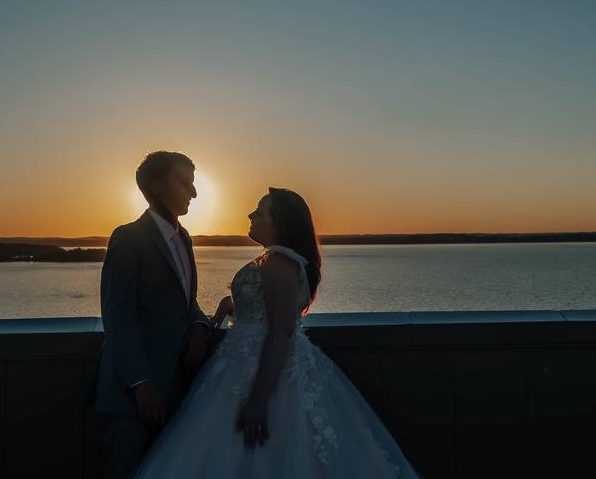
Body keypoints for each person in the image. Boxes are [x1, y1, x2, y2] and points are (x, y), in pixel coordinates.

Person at [134, 187, 418, 477]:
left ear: (278, 222)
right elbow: (265, 307)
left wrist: (258, 400)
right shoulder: (272, 260)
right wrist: (231, 305)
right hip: (247, 358)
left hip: (264, 369)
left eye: (259, 212)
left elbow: (280, 332)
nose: (251, 215)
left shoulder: (280, 262)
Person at [95, 151, 214, 479]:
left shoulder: (185, 238)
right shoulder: (128, 237)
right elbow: (117, 315)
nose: (193, 192)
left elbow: (186, 301)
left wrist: (201, 326)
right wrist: (141, 383)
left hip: (176, 388)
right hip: (131, 397)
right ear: (158, 186)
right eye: (185, 183)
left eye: (193, 183)